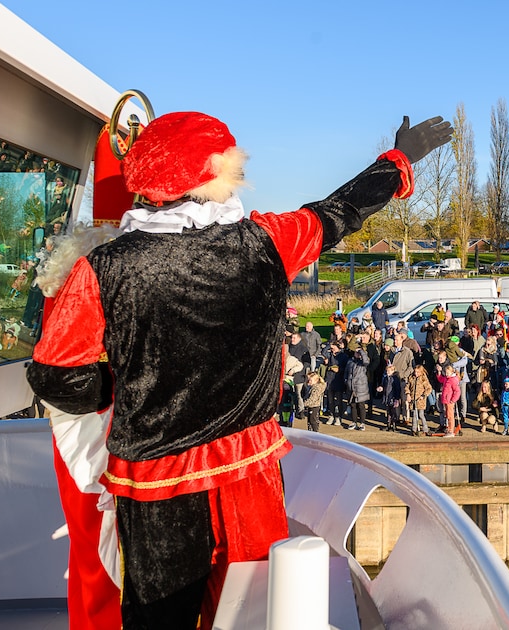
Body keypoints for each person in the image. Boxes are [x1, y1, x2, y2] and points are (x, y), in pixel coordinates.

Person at [26, 110, 452, 627]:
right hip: (247, 472)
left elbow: (55, 376)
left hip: (157, 488)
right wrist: (396, 160)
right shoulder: (267, 242)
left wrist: (125, 387)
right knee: (252, 612)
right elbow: (338, 212)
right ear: (214, 173)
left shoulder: (104, 268)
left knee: (160, 617)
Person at [438, 364, 461, 436]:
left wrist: (453, 400)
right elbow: (441, 379)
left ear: (451, 372)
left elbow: (457, 391)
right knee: (447, 415)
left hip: (450, 401)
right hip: (446, 400)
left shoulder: (453, 380)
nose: (446, 374)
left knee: (450, 416)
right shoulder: (446, 378)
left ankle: (451, 431)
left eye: (448, 373)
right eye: (446, 372)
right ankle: (449, 429)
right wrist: (439, 373)